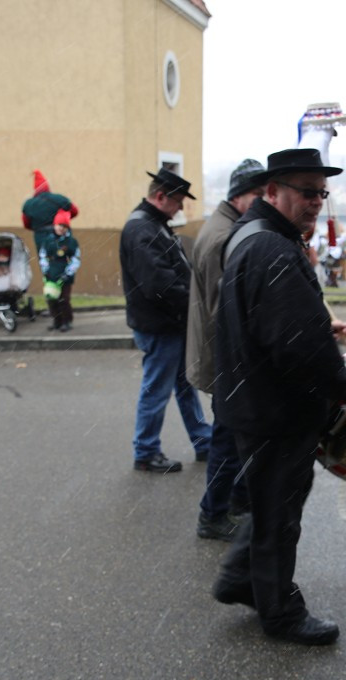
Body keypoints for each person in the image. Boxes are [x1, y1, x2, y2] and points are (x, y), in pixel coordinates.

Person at [212, 148, 346, 646]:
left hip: (254, 398)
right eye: (306, 191)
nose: (316, 202)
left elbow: (275, 319)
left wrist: (317, 321)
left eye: (321, 192)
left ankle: (242, 579)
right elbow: (297, 348)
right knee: (280, 515)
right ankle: (280, 614)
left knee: (269, 501)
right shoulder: (274, 249)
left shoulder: (256, 234)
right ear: (272, 190)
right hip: (275, 408)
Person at [185, 158, 263, 541]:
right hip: (224, 361)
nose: (263, 202)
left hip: (223, 360)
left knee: (231, 438)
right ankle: (212, 515)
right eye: (258, 195)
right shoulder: (222, 237)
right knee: (227, 440)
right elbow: (223, 311)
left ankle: (228, 504)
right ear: (240, 196)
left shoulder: (225, 227)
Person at [120, 167, 211, 473]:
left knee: (184, 386)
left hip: (168, 324)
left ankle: (203, 441)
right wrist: (196, 305)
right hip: (161, 326)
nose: (180, 209)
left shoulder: (151, 224)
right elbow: (159, 286)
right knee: (156, 389)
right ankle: (146, 451)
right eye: (178, 201)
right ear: (161, 197)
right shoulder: (142, 229)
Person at [39, 208, 81, 332]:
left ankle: (66, 321)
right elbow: (43, 256)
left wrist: (68, 273)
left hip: (64, 275)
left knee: (64, 299)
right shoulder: (48, 241)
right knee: (51, 298)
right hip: (51, 274)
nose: (61, 228)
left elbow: (76, 259)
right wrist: (45, 270)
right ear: (54, 225)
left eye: (64, 226)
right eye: (59, 225)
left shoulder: (71, 242)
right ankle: (56, 320)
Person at [21, 169, 78, 257]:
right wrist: (61, 221)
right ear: (47, 187)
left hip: (40, 236)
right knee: (65, 260)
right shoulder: (60, 199)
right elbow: (74, 211)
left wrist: (39, 226)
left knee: (46, 261)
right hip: (62, 235)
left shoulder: (28, 204)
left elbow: (26, 224)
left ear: (35, 189)